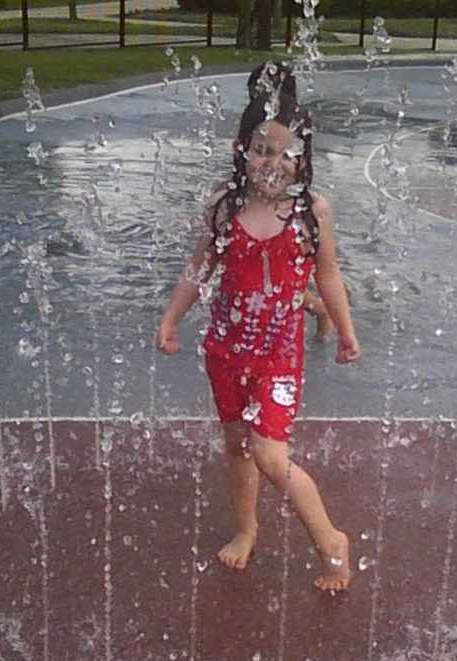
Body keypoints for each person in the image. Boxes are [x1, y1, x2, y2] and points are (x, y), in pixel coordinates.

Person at [156, 92, 361, 592]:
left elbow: (329, 275)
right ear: (242, 149)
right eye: (262, 149)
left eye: (286, 152)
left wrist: (346, 329)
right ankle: (246, 530)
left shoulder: (313, 212)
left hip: (278, 356)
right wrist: (171, 319)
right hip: (225, 351)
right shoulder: (224, 205)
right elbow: (198, 267)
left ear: (303, 157)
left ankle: (331, 540)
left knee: (270, 454)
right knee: (236, 445)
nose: (273, 162)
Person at [246, 61, 336, 341]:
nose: (256, 100)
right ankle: (326, 304)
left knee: (285, 279)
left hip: (288, 209)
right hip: (270, 208)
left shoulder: (292, 126)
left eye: (260, 93)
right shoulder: (258, 125)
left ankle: (322, 310)